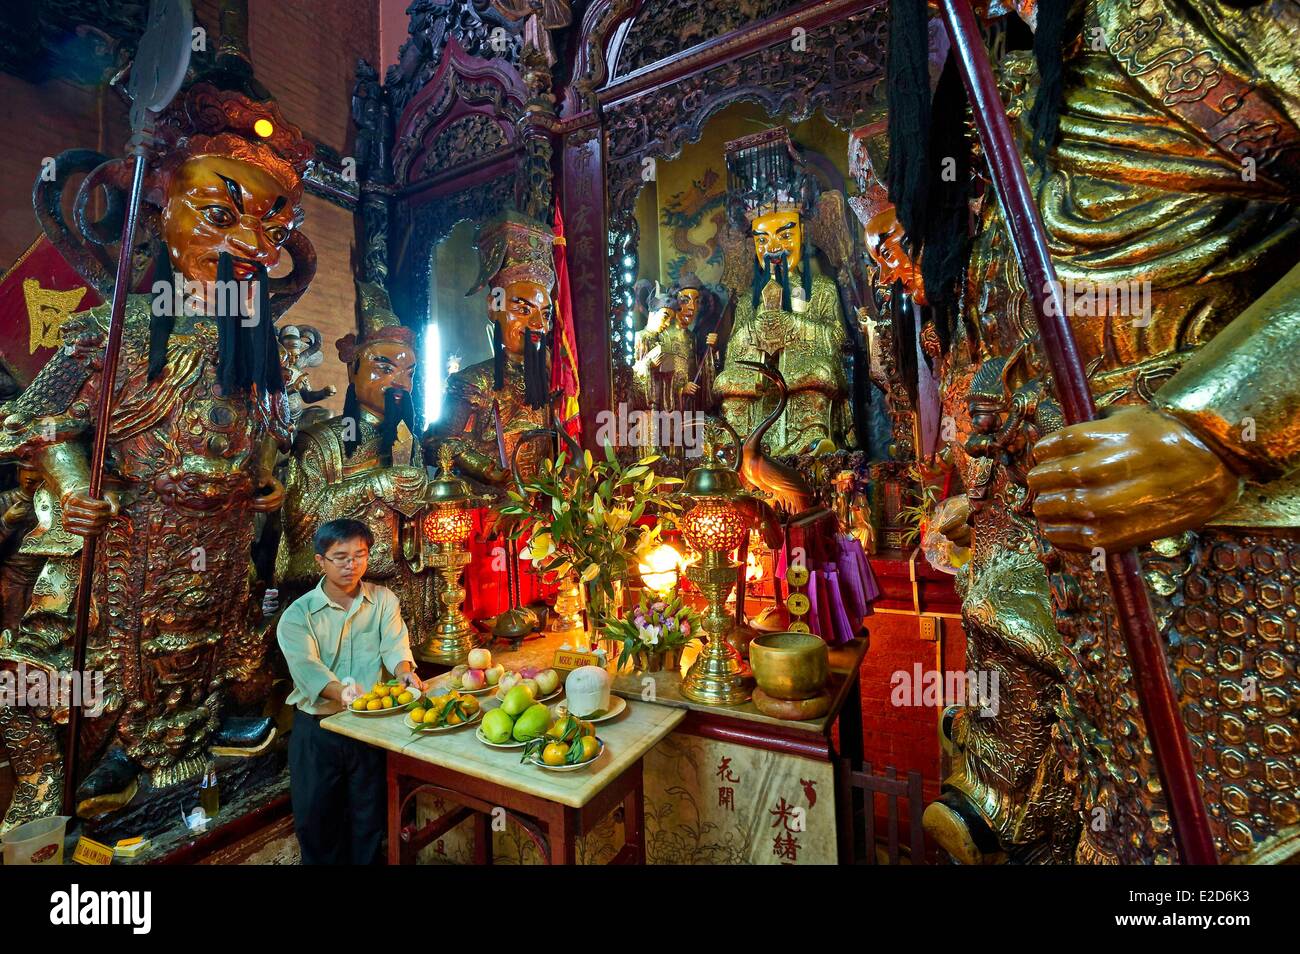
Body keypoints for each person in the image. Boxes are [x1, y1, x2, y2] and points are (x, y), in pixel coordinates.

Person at [276, 518, 423, 864]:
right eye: (340, 557)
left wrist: (405, 672)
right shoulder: (298, 615)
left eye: (360, 555)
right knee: (318, 823)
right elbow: (307, 669)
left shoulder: (383, 600)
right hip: (318, 732)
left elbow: (395, 645)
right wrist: (341, 692)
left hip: (368, 729)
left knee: (368, 821)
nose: (351, 564)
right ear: (320, 561)